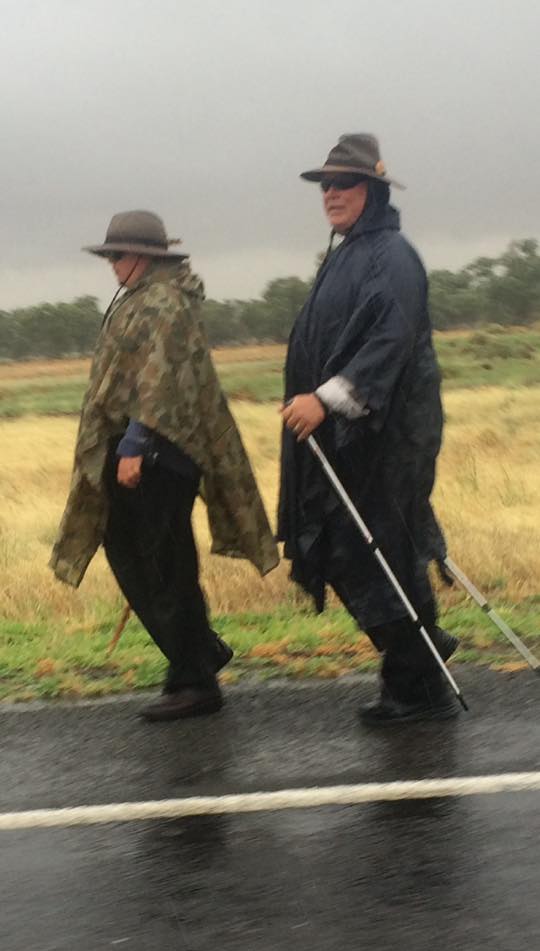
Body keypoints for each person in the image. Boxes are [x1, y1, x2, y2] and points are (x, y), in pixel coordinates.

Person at [51, 210, 278, 721]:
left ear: (147, 257)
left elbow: (160, 381)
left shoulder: (163, 303)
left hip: (155, 456)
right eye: (110, 255)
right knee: (133, 556)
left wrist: (135, 444)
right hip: (140, 451)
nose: (113, 264)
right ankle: (198, 651)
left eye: (120, 255)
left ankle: (195, 681)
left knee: (165, 565)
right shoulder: (143, 299)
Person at [279, 134, 459, 726]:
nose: (331, 194)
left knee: (377, 549)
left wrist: (327, 400)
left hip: (387, 436)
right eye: (326, 185)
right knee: (355, 549)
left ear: (373, 191)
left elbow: (391, 338)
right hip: (352, 437)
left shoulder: (391, 254)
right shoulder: (349, 252)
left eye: (345, 183)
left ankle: (420, 681)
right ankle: (418, 659)